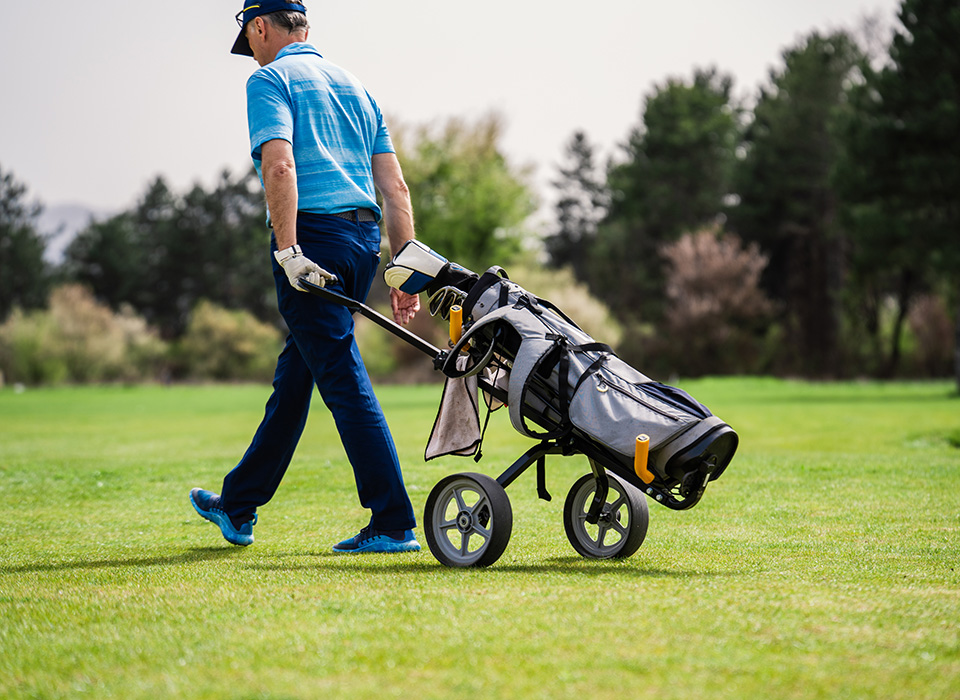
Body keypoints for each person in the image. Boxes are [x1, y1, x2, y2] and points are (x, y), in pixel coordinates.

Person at [189, 0, 422, 554]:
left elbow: (280, 165)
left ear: (260, 27)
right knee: (299, 374)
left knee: (339, 372)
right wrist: (403, 266)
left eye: (251, 42)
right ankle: (238, 504)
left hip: (312, 240)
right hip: (363, 242)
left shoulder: (269, 81)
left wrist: (289, 250)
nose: (253, 54)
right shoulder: (356, 86)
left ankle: (393, 521)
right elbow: (396, 189)